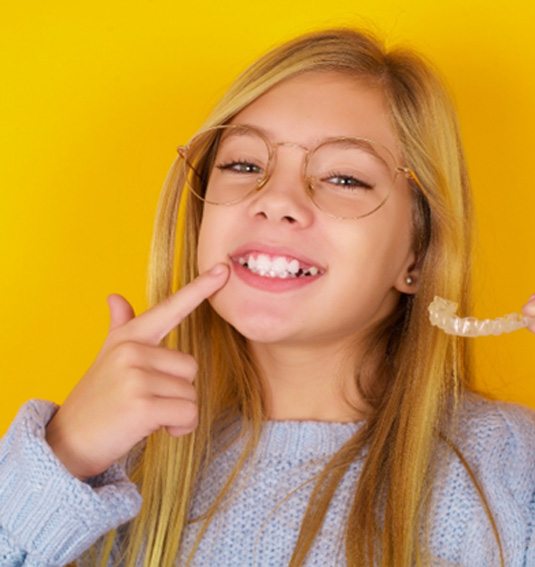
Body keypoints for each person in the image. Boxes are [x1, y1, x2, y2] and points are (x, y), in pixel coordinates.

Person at [1, 27, 534, 567]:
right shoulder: (104, 472)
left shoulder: (507, 467)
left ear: (417, 256)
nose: (276, 200)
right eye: (244, 165)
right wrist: (66, 457)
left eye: (344, 178)